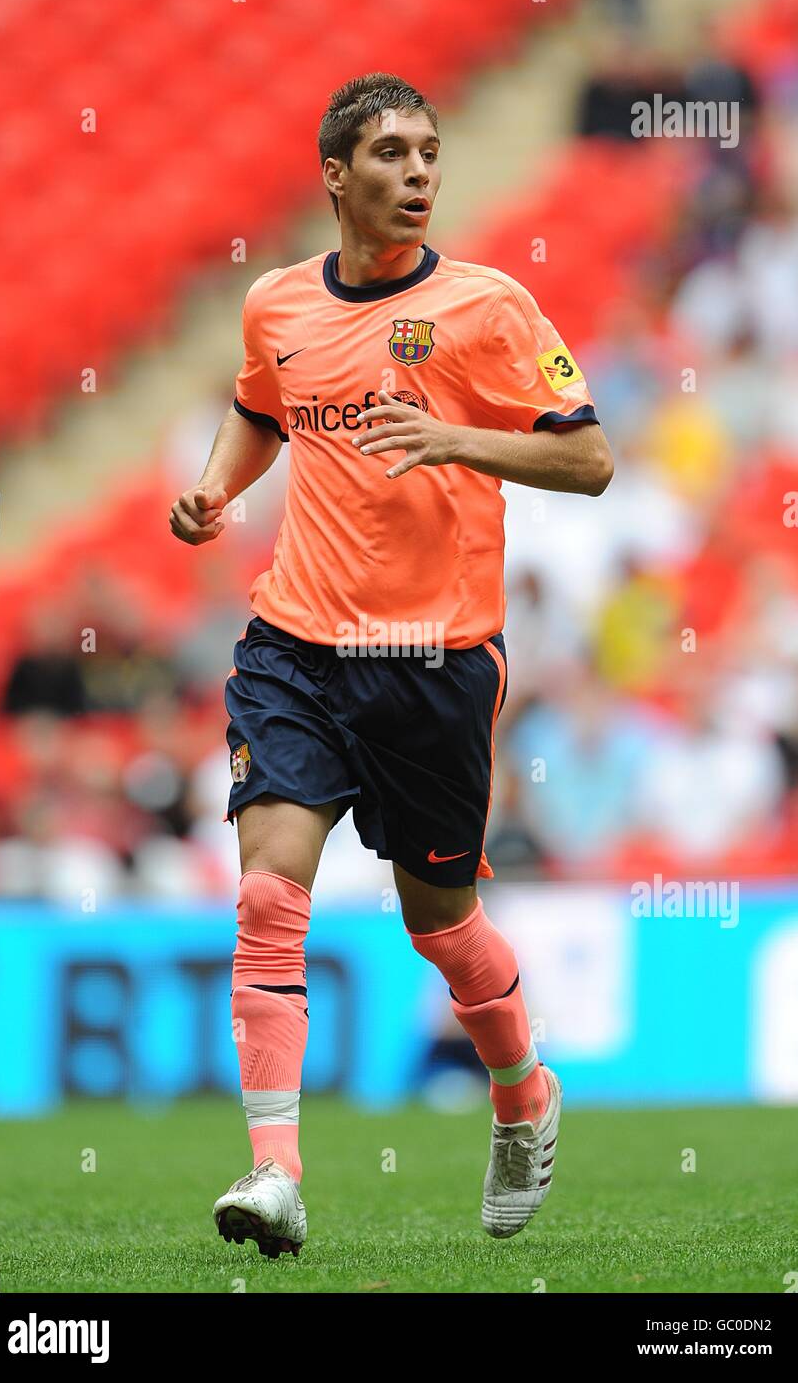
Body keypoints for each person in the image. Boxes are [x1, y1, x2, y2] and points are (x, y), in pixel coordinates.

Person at [169, 72, 613, 1258]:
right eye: (392, 155)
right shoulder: (276, 303)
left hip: (434, 662)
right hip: (296, 649)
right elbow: (261, 406)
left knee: (442, 922)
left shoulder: (489, 308)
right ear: (335, 174)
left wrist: (453, 437)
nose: (419, 173)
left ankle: (523, 1092)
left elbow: (593, 463)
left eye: (430, 152)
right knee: (269, 896)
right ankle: (276, 1174)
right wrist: (218, 487)